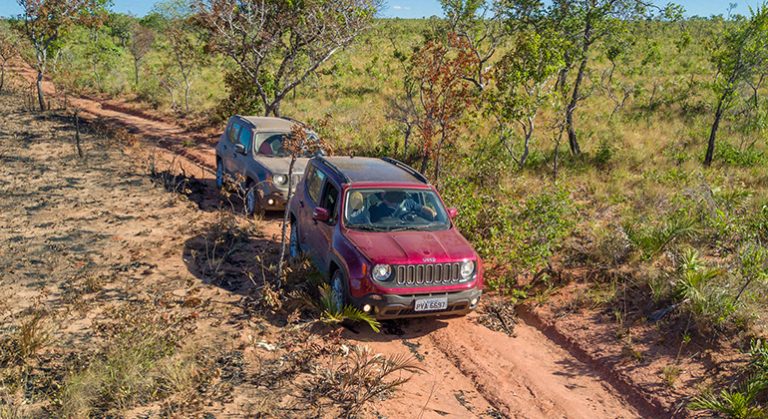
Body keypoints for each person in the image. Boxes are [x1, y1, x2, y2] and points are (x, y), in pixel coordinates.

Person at [369, 190, 436, 223]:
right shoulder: (375, 210)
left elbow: (422, 208)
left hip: (413, 231)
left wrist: (432, 214)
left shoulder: (408, 203)